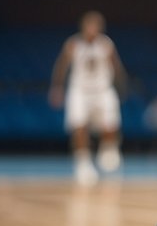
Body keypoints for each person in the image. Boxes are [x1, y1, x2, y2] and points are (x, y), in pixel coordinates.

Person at [50, 10, 127, 184]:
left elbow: (117, 67)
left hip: (102, 89)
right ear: (83, 27)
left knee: (111, 124)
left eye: (96, 25)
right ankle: (83, 164)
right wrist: (57, 88)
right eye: (89, 25)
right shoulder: (73, 44)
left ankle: (108, 148)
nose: (92, 29)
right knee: (79, 126)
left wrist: (121, 88)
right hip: (80, 91)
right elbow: (61, 66)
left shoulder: (106, 44)